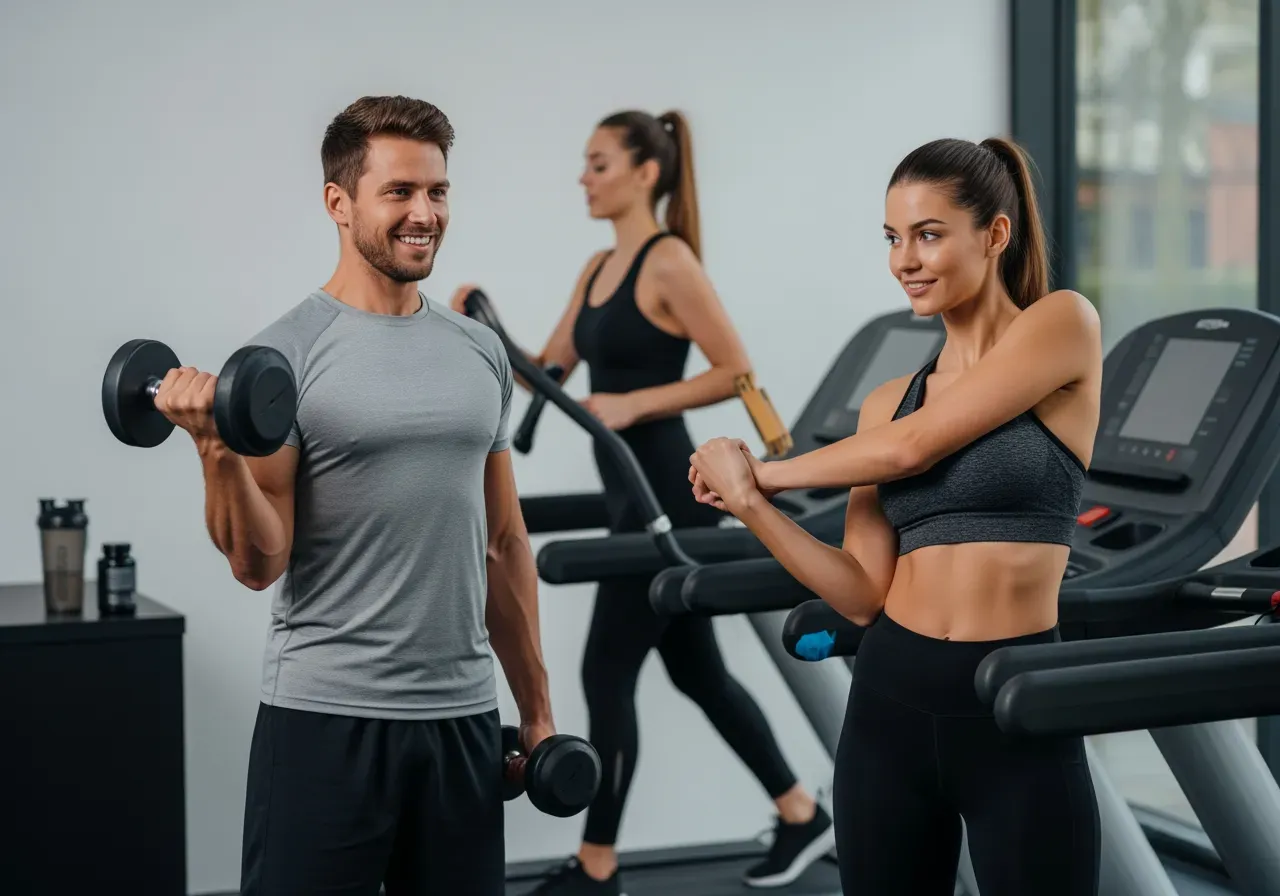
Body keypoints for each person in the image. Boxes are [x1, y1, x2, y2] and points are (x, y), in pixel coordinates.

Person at [152, 95, 557, 896]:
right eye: (400, 192)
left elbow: (504, 543)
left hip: (462, 720)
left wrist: (536, 708)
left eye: (437, 192)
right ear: (339, 203)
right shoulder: (280, 357)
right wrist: (213, 449)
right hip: (326, 719)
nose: (425, 214)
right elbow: (260, 562)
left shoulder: (477, 351)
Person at [687, 136, 1104, 896]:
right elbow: (858, 593)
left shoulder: (1062, 326)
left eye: (928, 234)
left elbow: (910, 452)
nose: (904, 259)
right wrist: (749, 505)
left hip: (1012, 706)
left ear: (996, 234)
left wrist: (765, 474)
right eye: (892, 238)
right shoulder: (887, 401)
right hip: (888, 708)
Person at [449, 109, 832, 894]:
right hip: (629, 491)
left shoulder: (669, 262)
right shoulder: (596, 269)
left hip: (668, 488)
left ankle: (597, 865)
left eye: (598, 164)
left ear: (644, 173)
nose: (583, 178)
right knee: (698, 673)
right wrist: (482, 330)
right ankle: (800, 811)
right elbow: (546, 370)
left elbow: (734, 370)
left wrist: (634, 403)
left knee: (605, 669)